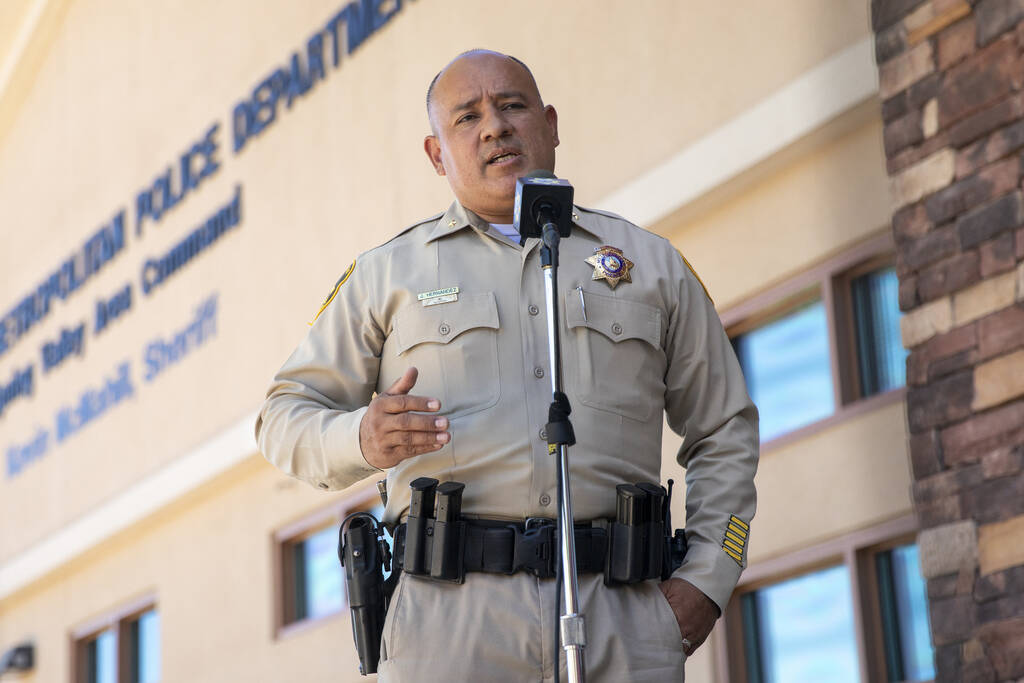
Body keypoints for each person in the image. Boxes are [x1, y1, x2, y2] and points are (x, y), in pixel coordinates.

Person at [256, 49, 758, 682]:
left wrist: (712, 576)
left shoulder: (651, 265)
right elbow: (281, 418)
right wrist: (360, 438)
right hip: (449, 625)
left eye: (512, 105)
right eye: (466, 117)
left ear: (550, 124)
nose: (494, 126)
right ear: (438, 155)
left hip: (624, 617)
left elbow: (726, 429)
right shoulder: (386, 275)